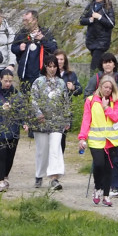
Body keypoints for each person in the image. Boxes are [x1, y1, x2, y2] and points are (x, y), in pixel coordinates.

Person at [83, 53, 118, 198]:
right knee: (100, 160)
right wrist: (98, 100)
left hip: (115, 122)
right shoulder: (96, 78)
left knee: (114, 159)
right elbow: (86, 94)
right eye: (105, 62)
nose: (107, 65)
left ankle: (115, 186)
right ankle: (100, 185)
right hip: (99, 124)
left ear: (114, 64)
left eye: (110, 62)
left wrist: (117, 100)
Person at [78, 75, 118, 207]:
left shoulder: (117, 101)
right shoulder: (90, 101)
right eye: (105, 87)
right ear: (100, 87)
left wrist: (106, 108)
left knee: (109, 168)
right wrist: (82, 137)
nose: (107, 90)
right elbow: (86, 120)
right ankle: (97, 188)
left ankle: (106, 195)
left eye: (110, 88)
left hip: (112, 140)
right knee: (99, 164)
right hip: (96, 140)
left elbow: (117, 117)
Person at [31, 57, 70, 190]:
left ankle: (54, 177)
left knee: (55, 149)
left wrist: (67, 119)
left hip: (57, 121)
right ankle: (39, 174)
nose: (52, 69)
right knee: (42, 151)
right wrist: (38, 113)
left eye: (54, 67)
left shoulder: (61, 83)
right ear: (45, 67)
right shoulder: (38, 82)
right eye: (50, 66)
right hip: (41, 122)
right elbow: (33, 99)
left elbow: (66, 102)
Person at [0, 69, 29, 192]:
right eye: (5, 81)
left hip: (13, 129)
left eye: (10, 81)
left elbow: (22, 112)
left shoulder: (18, 96)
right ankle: (1, 182)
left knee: (10, 156)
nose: (8, 83)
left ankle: (5, 176)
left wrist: (25, 123)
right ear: (0, 79)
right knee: (1, 155)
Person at [13, 9, 58, 90]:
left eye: (27, 20)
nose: (24, 23)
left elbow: (54, 49)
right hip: (25, 75)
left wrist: (43, 39)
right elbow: (13, 48)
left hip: (41, 74)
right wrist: (19, 48)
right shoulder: (21, 33)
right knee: (25, 100)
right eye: (23, 20)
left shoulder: (46, 32)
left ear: (35, 20)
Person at [80, 0, 116, 74]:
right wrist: (89, 20)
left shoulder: (107, 7)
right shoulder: (90, 5)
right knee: (100, 65)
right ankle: (104, 80)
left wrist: (100, 17)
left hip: (102, 41)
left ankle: (92, 83)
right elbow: (81, 20)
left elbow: (111, 23)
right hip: (91, 39)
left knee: (94, 66)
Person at [54, 49, 81, 157]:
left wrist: (73, 87)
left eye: (61, 59)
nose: (59, 61)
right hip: (50, 110)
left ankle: (59, 160)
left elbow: (79, 90)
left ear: (65, 61)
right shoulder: (48, 74)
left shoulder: (70, 75)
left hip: (65, 111)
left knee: (62, 137)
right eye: (57, 59)